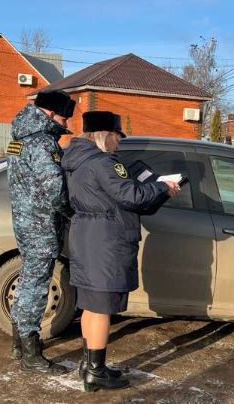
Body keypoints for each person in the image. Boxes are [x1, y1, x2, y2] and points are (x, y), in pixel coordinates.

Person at [62, 111, 180, 392]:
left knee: (90, 306)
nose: (119, 142)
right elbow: (132, 196)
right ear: (105, 135)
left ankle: (88, 364)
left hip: (87, 237)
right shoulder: (103, 163)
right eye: (117, 136)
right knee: (101, 308)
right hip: (105, 242)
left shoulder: (77, 161)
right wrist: (162, 186)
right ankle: (96, 370)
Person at [6, 89, 76, 375]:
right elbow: (55, 190)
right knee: (35, 288)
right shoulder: (42, 143)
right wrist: (72, 213)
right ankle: (31, 355)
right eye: (63, 115)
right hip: (41, 227)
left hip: (25, 222)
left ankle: (18, 345)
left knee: (26, 284)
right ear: (50, 113)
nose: (65, 121)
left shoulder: (20, 139)